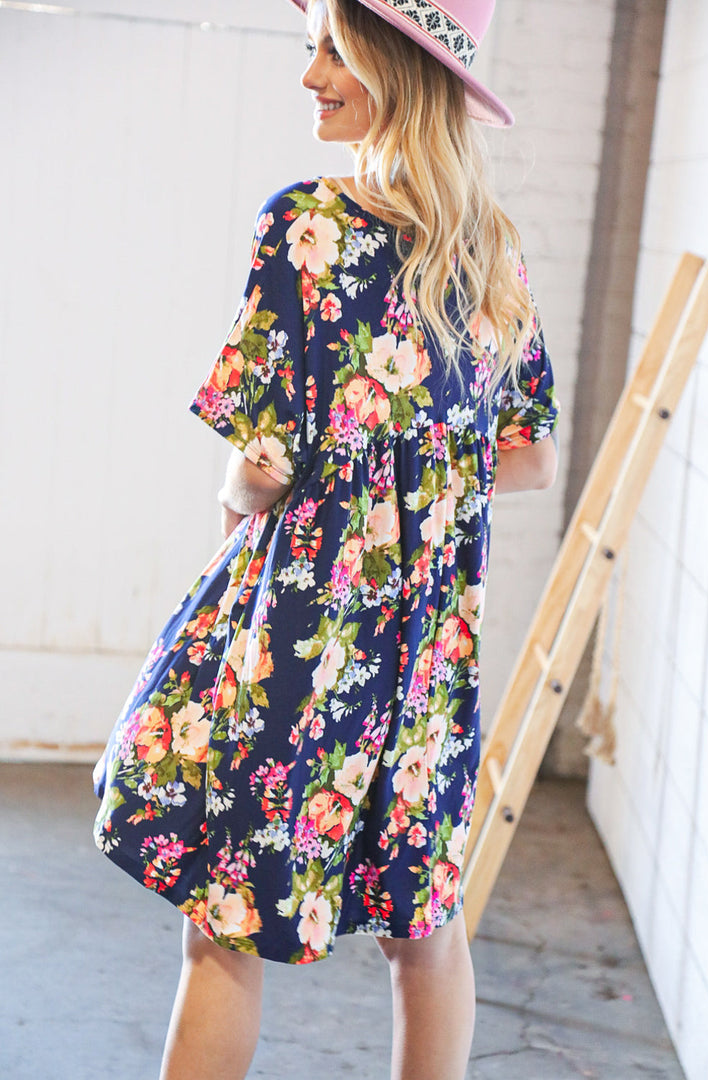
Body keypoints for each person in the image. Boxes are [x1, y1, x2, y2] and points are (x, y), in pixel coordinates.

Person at [93, 1, 560, 1077]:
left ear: (399, 68)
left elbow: (262, 465)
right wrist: (422, 469)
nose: (309, 76)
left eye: (334, 51)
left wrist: (254, 491)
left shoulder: (305, 225)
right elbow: (532, 458)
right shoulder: (493, 248)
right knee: (424, 931)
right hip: (428, 650)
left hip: (305, 632)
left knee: (223, 923)